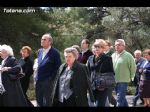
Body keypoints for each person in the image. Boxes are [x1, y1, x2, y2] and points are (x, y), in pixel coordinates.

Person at [35, 33, 61, 106]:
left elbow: (58, 68)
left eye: (44, 39)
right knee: (39, 100)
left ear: (50, 42)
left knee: (47, 101)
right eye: (42, 39)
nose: (42, 41)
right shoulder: (39, 51)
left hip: (48, 82)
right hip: (38, 80)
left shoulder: (55, 53)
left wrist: (50, 79)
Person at [87, 39, 114, 107]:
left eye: (99, 46)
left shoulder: (108, 58)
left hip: (102, 87)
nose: (97, 48)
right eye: (95, 46)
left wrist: (104, 84)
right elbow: (87, 72)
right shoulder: (90, 58)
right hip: (92, 86)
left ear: (103, 48)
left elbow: (111, 73)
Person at [111, 39, 136, 107]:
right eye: (115, 45)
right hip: (114, 80)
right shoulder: (113, 55)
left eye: (119, 45)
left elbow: (133, 68)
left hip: (123, 81)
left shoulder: (128, 55)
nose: (117, 46)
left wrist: (130, 78)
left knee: (119, 100)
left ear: (123, 46)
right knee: (122, 98)